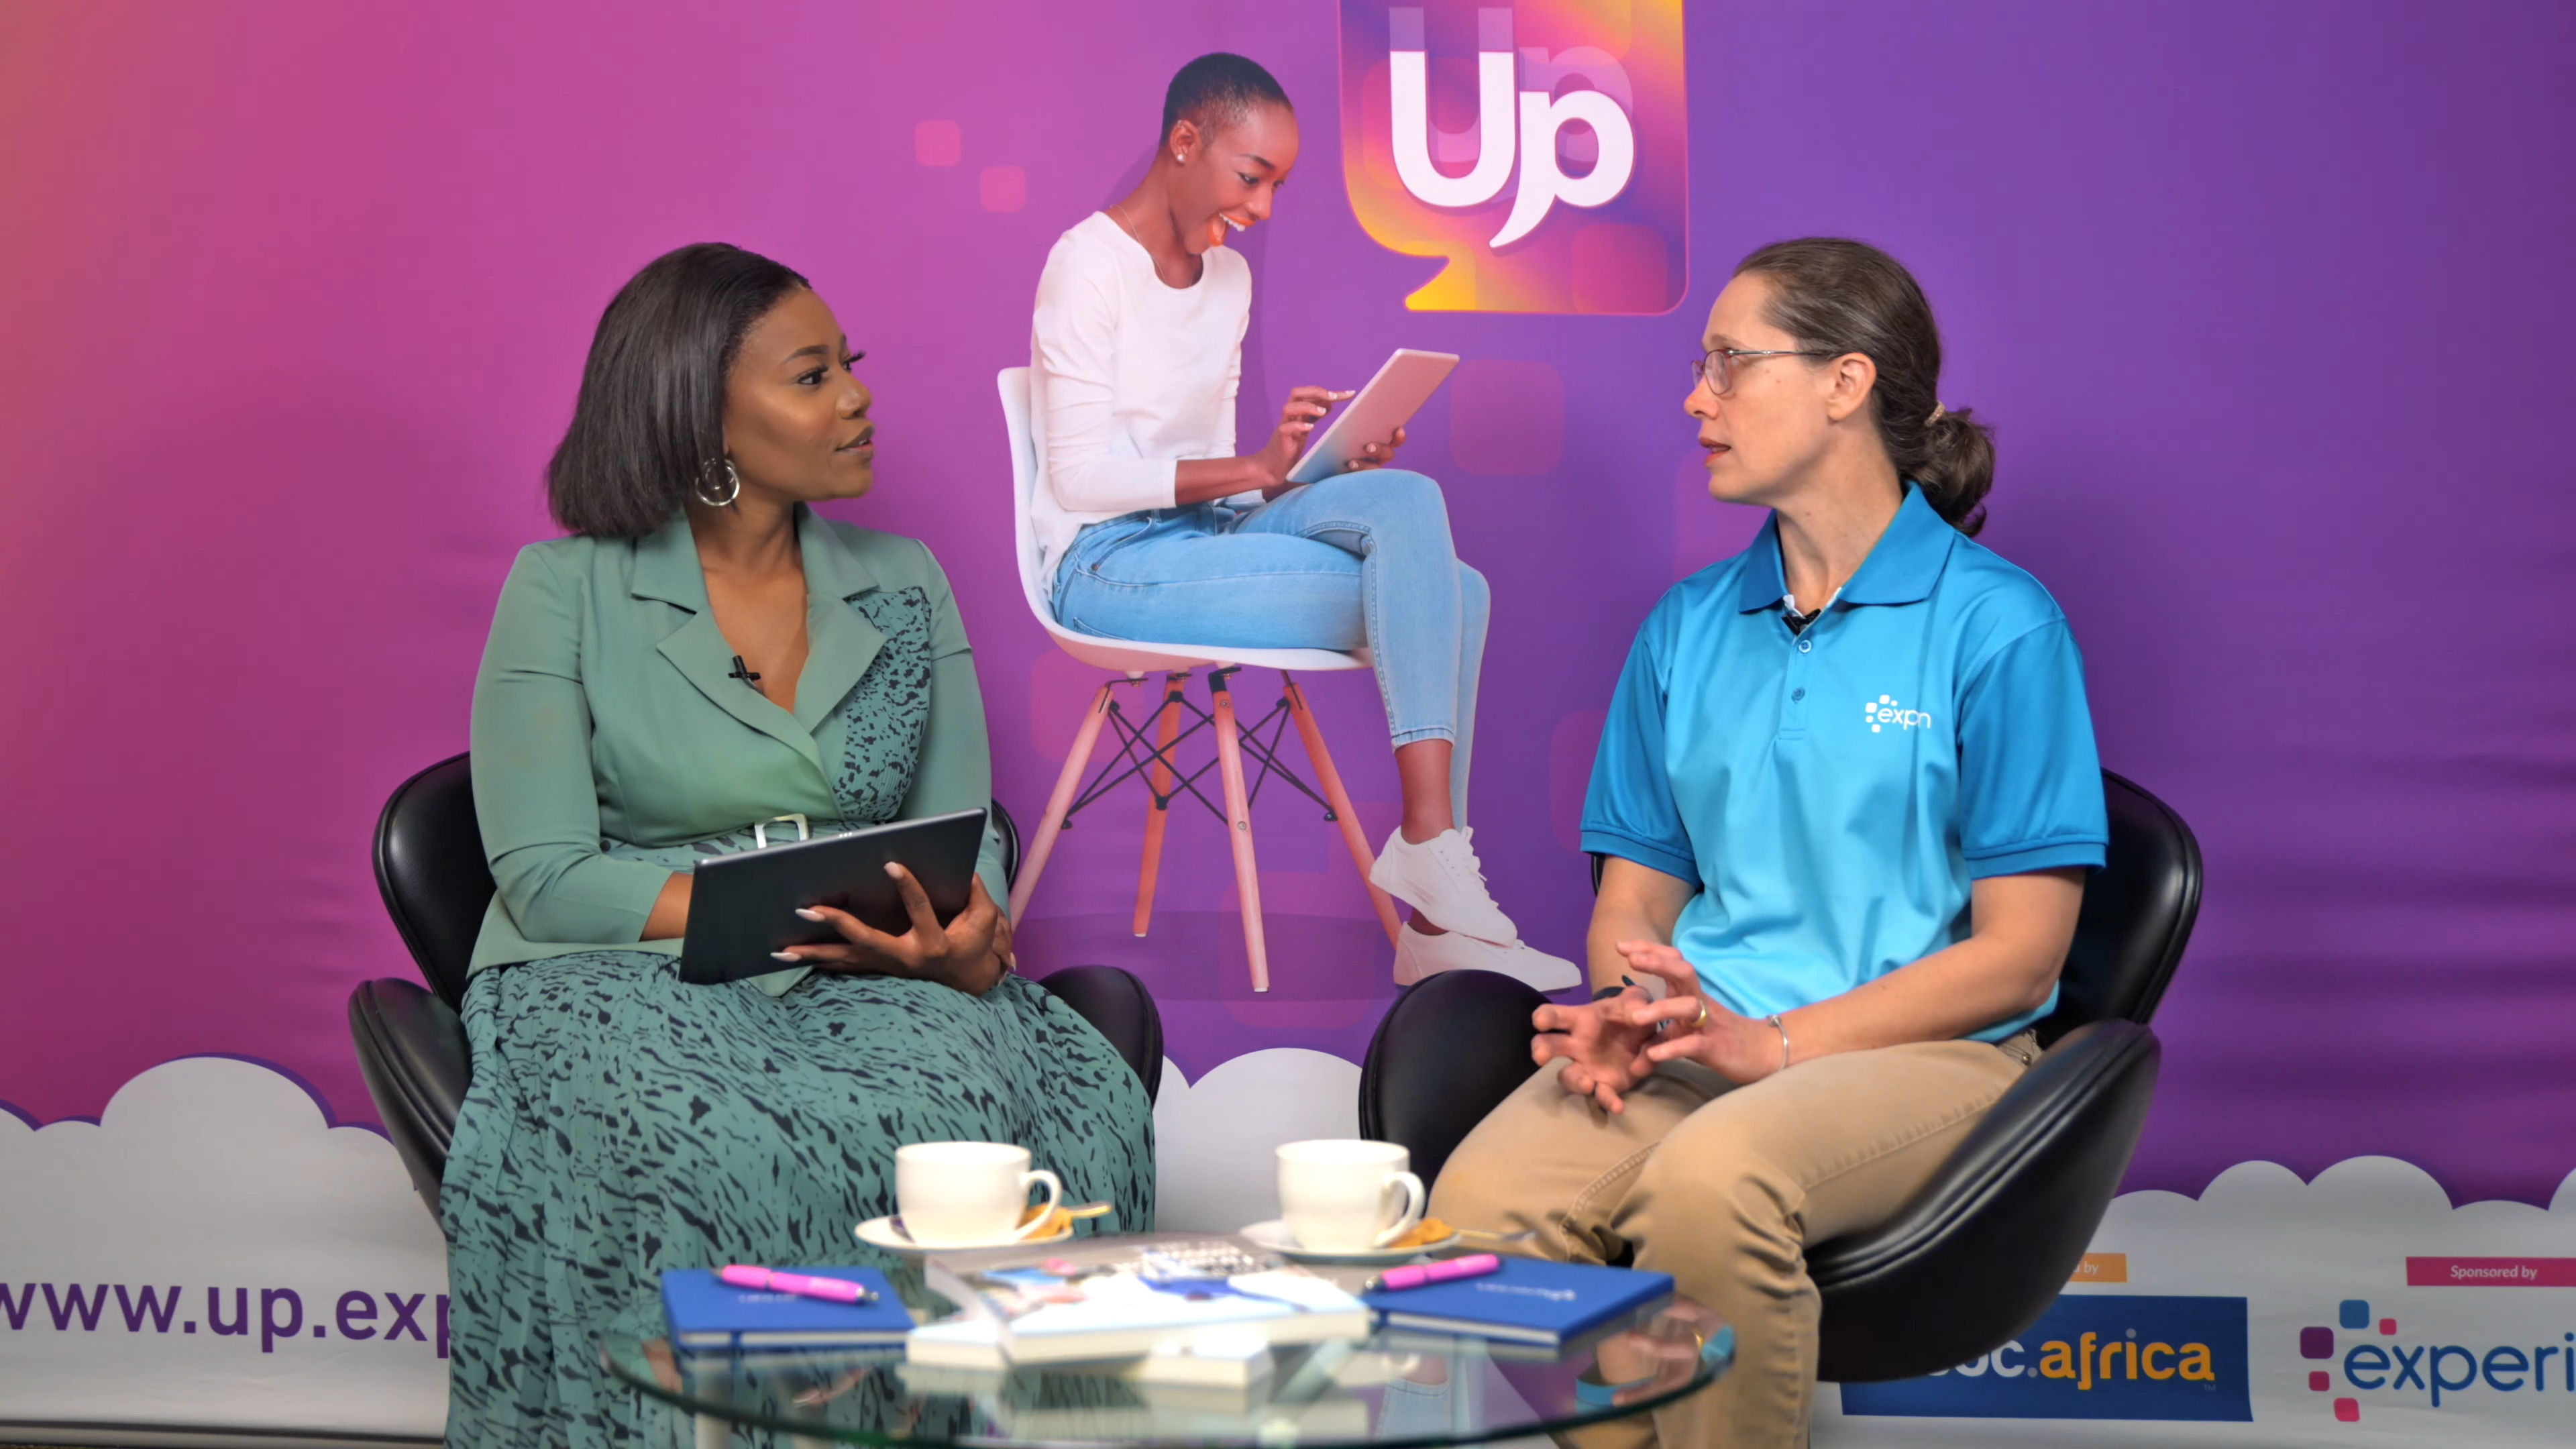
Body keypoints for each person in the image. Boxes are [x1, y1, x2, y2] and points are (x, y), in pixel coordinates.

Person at [441, 243, 1154, 1447]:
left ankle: (914, 1423)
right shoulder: (564, 590)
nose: (859, 398)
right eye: (812, 377)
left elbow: (963, 832)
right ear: (698, 416)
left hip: (867, 965)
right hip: (620, 966)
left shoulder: (903, 581)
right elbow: (546, 878)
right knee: (713, 1147)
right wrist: (782, 905)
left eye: (849, 366)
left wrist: (964, 933)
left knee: (964, 1131)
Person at [1429, 238, 2110, 1449]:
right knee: (1479, 1211)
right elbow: (1634, 904)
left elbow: (2022, 961)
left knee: (1712, 1184)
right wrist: (1640, 1004)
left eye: (1730, 364)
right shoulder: (1685, 629)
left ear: (1846, 383)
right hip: (1708, 1037)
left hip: (1930, 1053)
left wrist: (1780, 1046)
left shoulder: (2000, 627)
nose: (1698, 399)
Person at [1028, 52, 1576, 990]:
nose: (1264, 206)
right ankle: (1433, 865)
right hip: (1105, 563)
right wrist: (1253, 467)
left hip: (1205, 536)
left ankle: (1433, 881)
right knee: (1448, 595)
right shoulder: (1086, 266)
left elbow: (1217, 476)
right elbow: (1079, 478)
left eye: (1278, 185)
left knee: (1414, 510)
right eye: (1253, 177)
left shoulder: (1228, 279)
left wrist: (1308, 473)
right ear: (1186, 141)